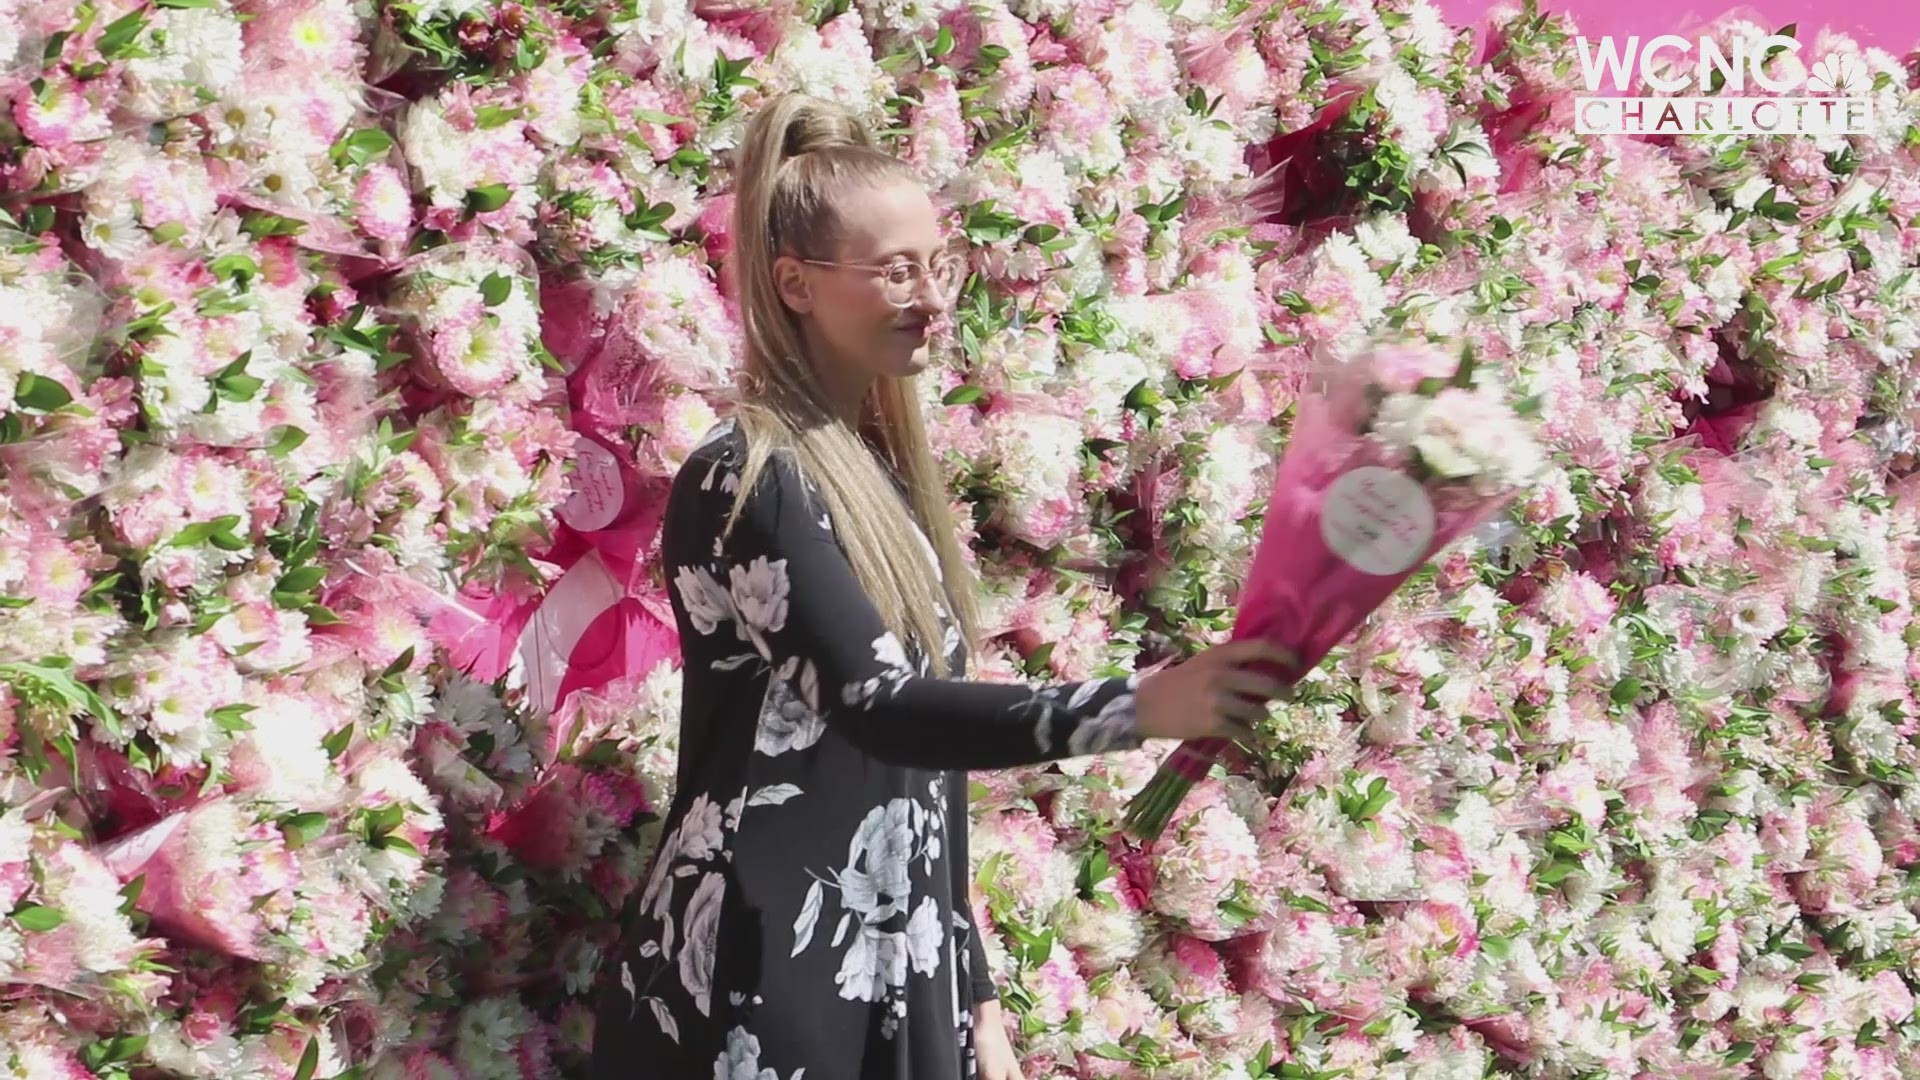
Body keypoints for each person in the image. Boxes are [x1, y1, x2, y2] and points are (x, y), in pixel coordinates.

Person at [587, 91, 1293, 1080]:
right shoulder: (747, 477)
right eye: (895, 270)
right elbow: (884, 712)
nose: (929, 294)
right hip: (760, 976)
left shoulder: (882, 485)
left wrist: (976, 996)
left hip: (888, 967)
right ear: (794, 282)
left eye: (937, 265)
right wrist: (1138, 707)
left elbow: (925, 790)